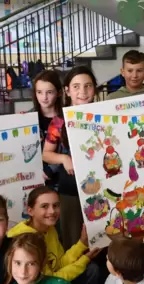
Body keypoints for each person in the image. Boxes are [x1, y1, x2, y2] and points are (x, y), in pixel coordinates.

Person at [7, 186, 101, 284]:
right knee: (90, 269)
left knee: (91, 268)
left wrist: (82, 244)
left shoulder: (49, 228)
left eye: (56, 205)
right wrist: (84, 259)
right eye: (44, 206)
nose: (52, 211)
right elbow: (49, 280)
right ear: (30, 211)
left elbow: (59, 263)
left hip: (52, 280)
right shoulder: (27, 240)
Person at [43, 65, 97, 249]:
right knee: (73, 240)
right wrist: (64, 159)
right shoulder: (58, 122)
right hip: (71, 189)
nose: (82, 91)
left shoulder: (104, 115)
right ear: (67, 90)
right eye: (76, 86)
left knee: (102, 236)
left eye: (88, 86)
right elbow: (46, 154)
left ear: (94, 88)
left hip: (102, 185)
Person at [30, 70, 63, 188]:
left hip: (62, 180)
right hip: (33, 179)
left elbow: (69, 150)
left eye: (49, 92)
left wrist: (52, 168)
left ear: (59, 93)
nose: (44, 97)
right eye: (39, 92)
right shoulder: (27, 120)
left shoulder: (65, 118)